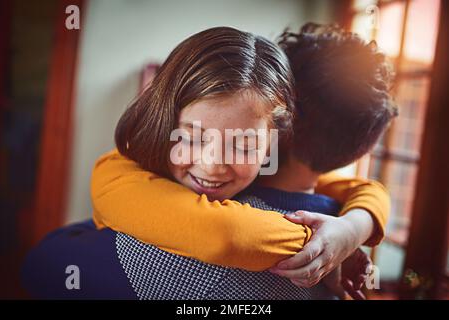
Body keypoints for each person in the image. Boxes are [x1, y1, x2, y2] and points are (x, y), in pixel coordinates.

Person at [22, 25, 394, 299]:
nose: (213, 164)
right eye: (193, 136)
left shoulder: (178, 253)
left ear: (282, 128)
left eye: (243, 143)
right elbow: (362, 189)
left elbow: (41, 266)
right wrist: (355, 227)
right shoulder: (339, 226)